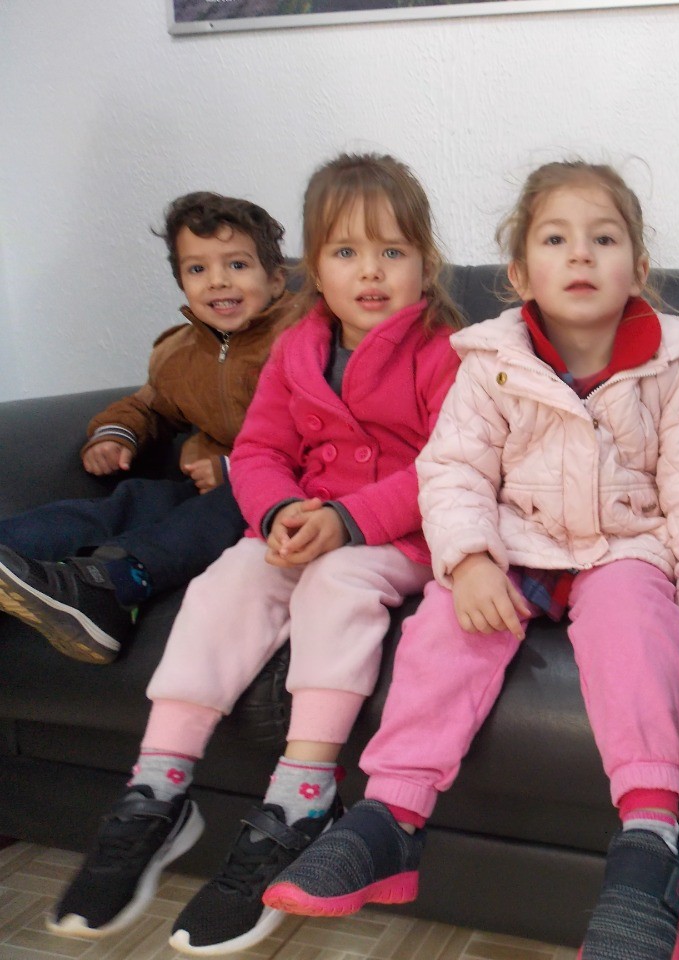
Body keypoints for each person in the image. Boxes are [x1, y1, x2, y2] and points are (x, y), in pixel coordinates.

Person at [262, 160, 679, 960]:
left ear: (638, 269)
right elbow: (452, 471)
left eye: (603, 239)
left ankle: (651, 844)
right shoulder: (490, 361)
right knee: (447, 620)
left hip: (622, 546)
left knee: (635, 627)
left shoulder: (672, 365)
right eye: (556, 240)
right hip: (517, 541)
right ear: (520, 274)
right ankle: (393, 814)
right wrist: (472, 558)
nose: (580, 255)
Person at [45, 153, 464, 955]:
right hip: (297, 522)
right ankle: (158, 788)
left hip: (399, 535)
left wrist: (349, 519)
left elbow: (451, 466)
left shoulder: (446, 352)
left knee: (337, 583)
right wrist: (275, 509)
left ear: (426, 261)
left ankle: (303, 799)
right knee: (226, 580)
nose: (370, 271)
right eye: (346, 252)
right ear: (312, 269)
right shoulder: (298, 347)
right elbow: (263, 448)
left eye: (392, 251)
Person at [0, 192, 290, 664]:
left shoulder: (300, 338)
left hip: (277, 489)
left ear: (276, 280)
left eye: (237, 265)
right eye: (197, 269)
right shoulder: (179, 353)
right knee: (132, 500)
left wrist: (236, 468)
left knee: (215, 512)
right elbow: (152, 405)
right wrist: (117, 433)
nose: (218, 280)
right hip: (201, 486)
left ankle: (112, 585)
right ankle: (13, 547)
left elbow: (320, 425)